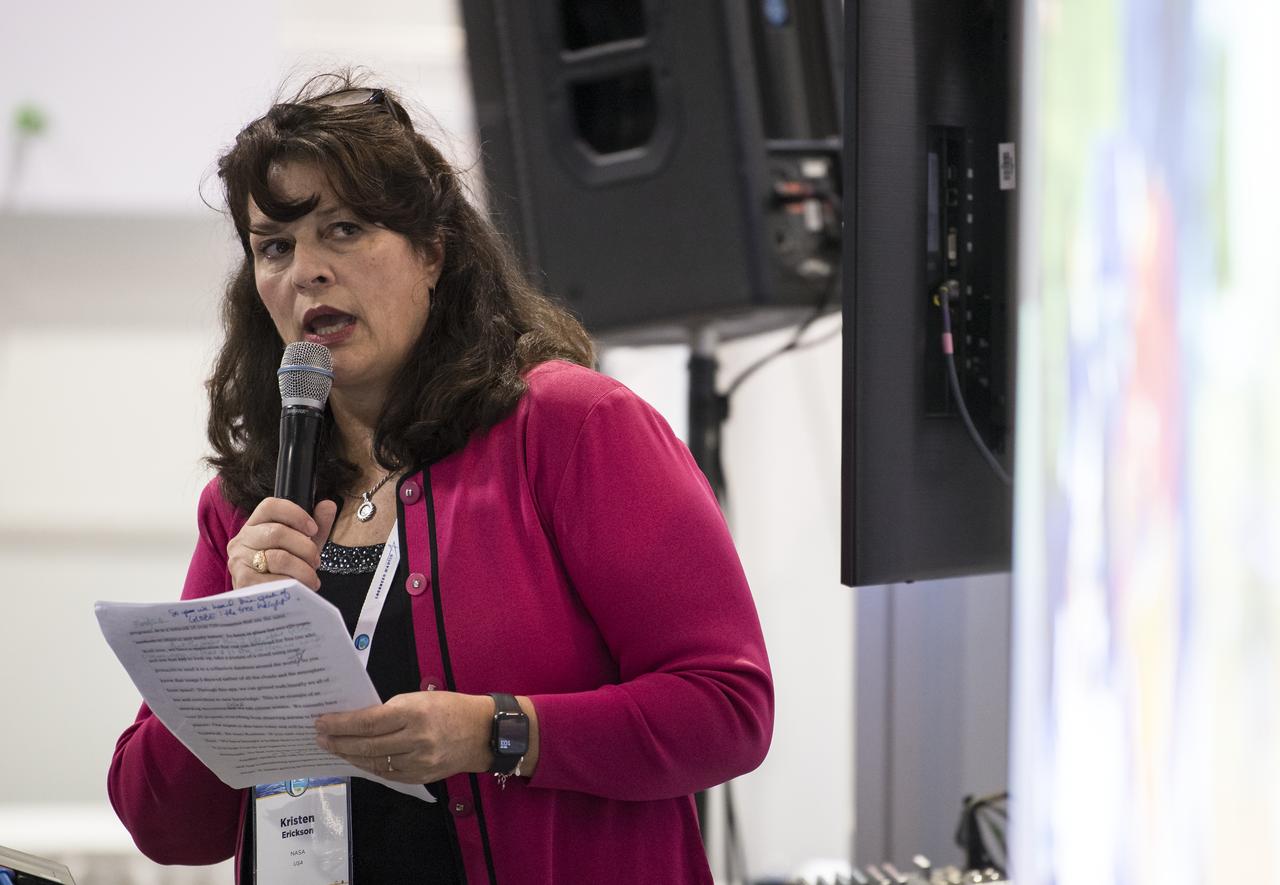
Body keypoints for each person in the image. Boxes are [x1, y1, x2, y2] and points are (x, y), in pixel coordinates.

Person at [107, 74, 773, 884]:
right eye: (274, 246)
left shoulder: (571, 428)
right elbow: (163, 823)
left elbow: (727, 708)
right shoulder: (246, 504)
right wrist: (231, 642)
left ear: (432, 252)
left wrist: (497, 731)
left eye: (344, 229)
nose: (306, 271)